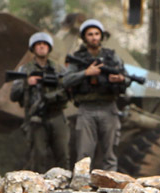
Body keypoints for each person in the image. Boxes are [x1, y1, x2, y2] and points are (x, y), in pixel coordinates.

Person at [63, 19, 129, 171]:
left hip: (109, 107)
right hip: (87, 110)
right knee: (84, 155)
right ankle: (82, 187)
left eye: (97, 34)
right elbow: (66, 80)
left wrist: (120, 78)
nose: (94, 37)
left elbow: (127, 77)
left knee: (110, 153)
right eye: (90, 34)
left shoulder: (111, 56)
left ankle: (111, 187)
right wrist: (86, 73)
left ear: (101, 36)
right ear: (85, 38)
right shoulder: (77, 58)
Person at [10, 32, 70, 173]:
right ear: (33, 48)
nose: (42, 47)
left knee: (63, 153)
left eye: (44, 44)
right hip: (36, 117)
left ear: (49, 48)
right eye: (38, 44)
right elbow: (13, 95)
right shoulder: (25, 70)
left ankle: (64, 188)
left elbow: (69, 89)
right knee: (38, 155)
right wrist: (27, 83)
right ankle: (38, 187)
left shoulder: (59, 69)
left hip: (56, 114)